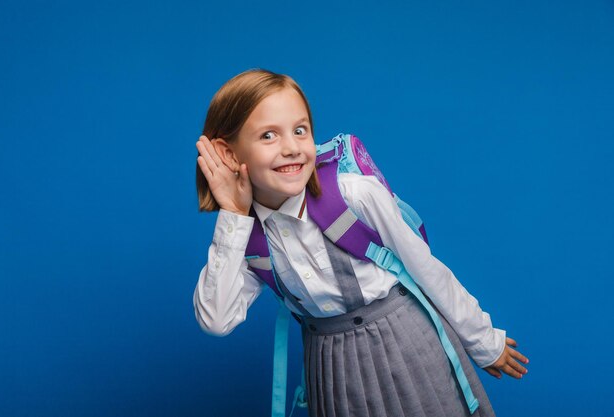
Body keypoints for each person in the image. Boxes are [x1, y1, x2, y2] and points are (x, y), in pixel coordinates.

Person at [193, 68, 529, 417]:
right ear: (228, 154)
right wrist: (233, 215)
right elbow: (217, 320)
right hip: (331, 370)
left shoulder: (354, 194)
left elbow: (427, 271)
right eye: (268, 136)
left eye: (299, 130)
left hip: (407, 348)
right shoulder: (243, 239)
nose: (291, 148)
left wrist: (484, 341)